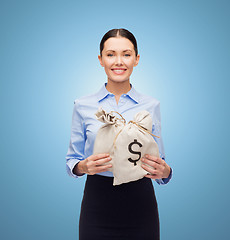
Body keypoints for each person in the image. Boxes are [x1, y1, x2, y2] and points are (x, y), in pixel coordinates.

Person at [66, 28, 173, 240]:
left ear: (136, 59)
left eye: (126, 54)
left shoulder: (151, 105)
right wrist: (83, 167)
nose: (118, 61)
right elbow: (72, 161)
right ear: (101, 59)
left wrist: (166, 172)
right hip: (97, 202)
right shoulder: (83, 105)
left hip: (141, 203)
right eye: (110, 54)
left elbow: (159, 163)